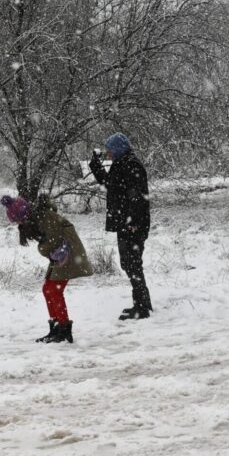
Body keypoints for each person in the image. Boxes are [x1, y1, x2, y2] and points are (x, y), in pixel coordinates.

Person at [1, 193, 93, 344]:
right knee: (48, 289)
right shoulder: (37, 217)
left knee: (54, 290)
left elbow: (53, 241)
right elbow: (51, 243)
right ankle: (56, 328)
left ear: (24, 214)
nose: (19, 224)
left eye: (19, 220)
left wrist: (41, 248)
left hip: (68, 254)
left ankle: (63, 330)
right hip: (60, 255)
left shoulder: (45, 217)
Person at [89, 131, 153, 320]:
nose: (108, 153)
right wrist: (95, 165)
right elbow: (110, 184)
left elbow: (137, 197)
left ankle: (141, 307)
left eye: (109, 150)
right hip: (126, 222)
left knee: (132, 263)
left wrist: (133, 221)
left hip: (132, 224)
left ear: (118, 148)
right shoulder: (122, 163)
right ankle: (143, 303)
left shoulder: (131, 165)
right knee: (130, 263)